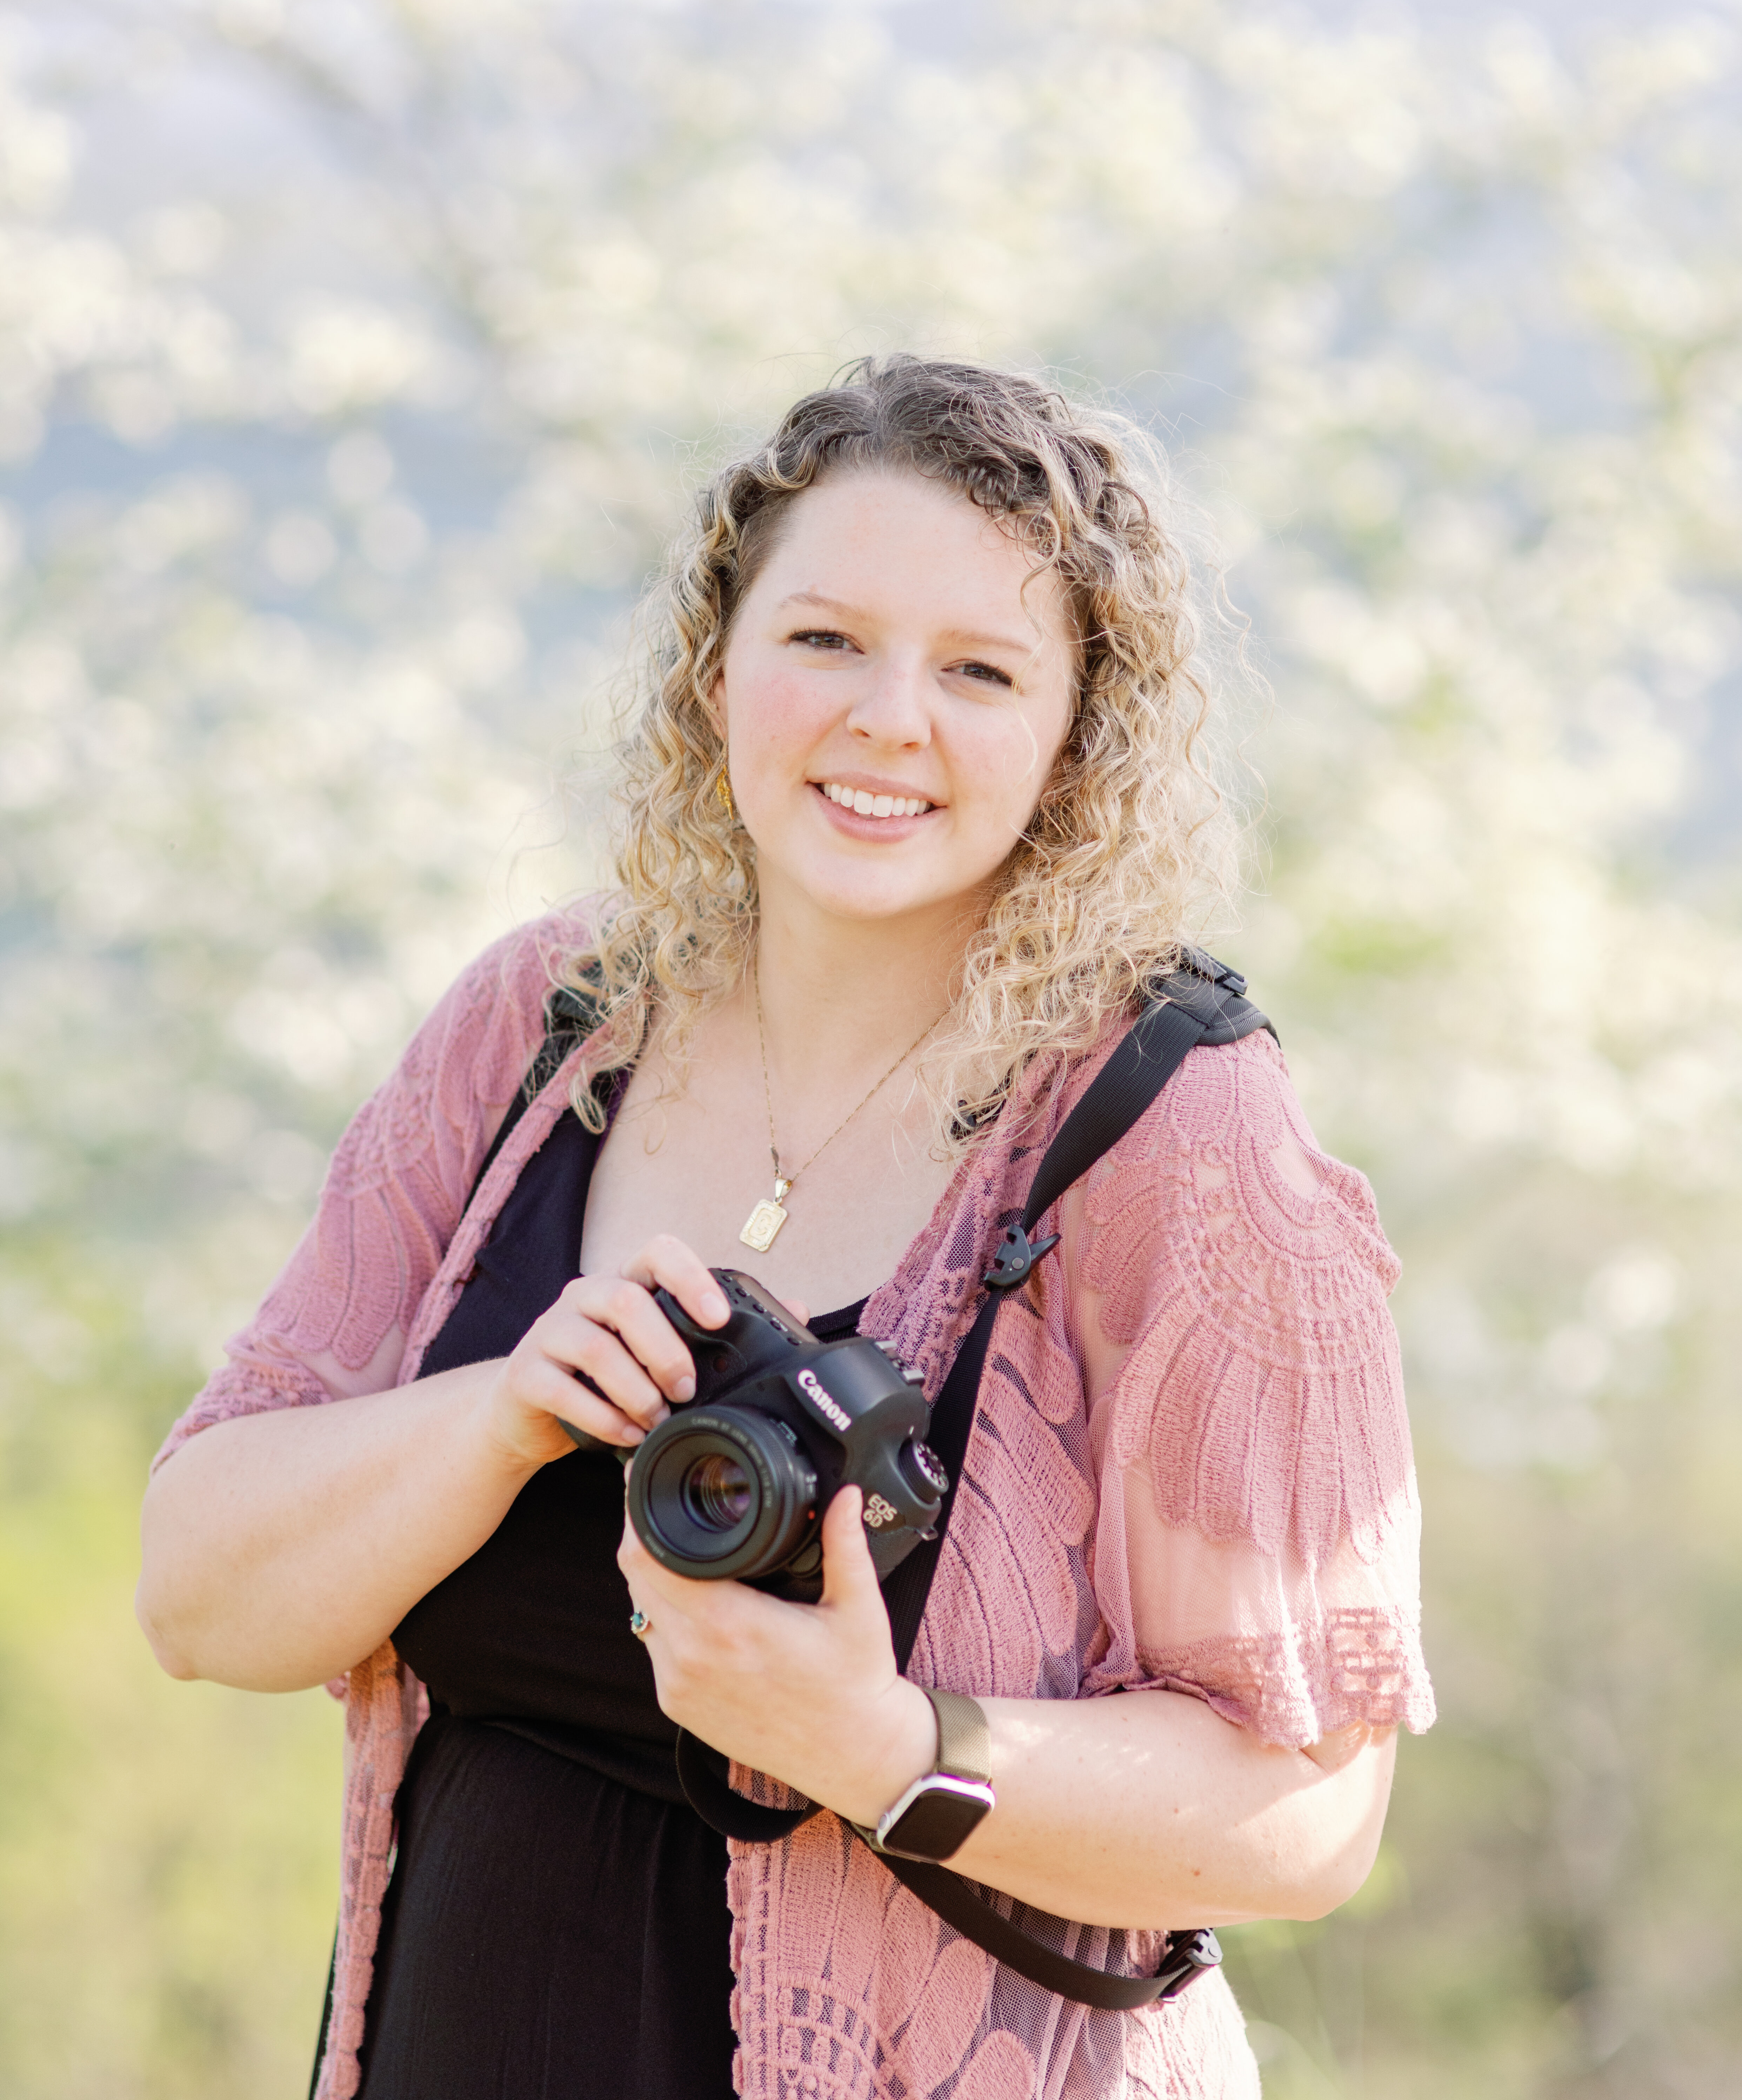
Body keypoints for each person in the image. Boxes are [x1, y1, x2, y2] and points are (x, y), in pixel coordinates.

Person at [136, 357, 1435, 2100]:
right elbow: (198, 1597)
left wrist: (888, 1745)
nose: (888, 719)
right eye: (824, 638)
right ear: (717, 667)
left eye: (978, 670)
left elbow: (1309, 1809)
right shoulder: (548, 1023)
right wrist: (499, 1414)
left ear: (1077, 737)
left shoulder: (1175, 1131)